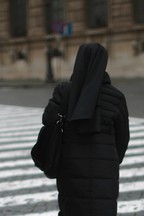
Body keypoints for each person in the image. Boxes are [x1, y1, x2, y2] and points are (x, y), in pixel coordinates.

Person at [35, 43, 130, 216]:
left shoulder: (64, 91)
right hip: (105, 169)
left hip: (70, 167)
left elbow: (48, 120)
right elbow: (123, 139)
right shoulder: (116, 97)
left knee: (72, 209)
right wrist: (111, 160)